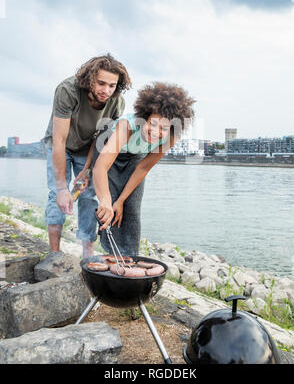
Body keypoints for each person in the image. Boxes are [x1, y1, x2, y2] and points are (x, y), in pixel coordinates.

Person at [92, 82, 196, 257]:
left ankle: (129, 256)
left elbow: (143, 167)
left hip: (134, 156)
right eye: (153, 124)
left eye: (163, 128)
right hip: (107, 150)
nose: (156, 132)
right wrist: (106, 200)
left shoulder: (172, 136)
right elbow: (100, 167)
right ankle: (109, 253)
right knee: (108, 202)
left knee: (129, 208)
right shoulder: (127, 126)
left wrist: (121, 200)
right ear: (145, 117)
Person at [44, 54, 132, 258]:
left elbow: (100, 138)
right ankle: (54, 252)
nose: (106, 91)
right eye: (101, 83)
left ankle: (87, 250)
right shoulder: (68, 90)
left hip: (87, 149)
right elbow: (59, 140)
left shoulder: (116, 102)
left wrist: (87, 169)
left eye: (112, 85)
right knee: (57, 195)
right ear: (90, 78)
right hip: (61, 146)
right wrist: (61, 188)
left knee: (89, 195)